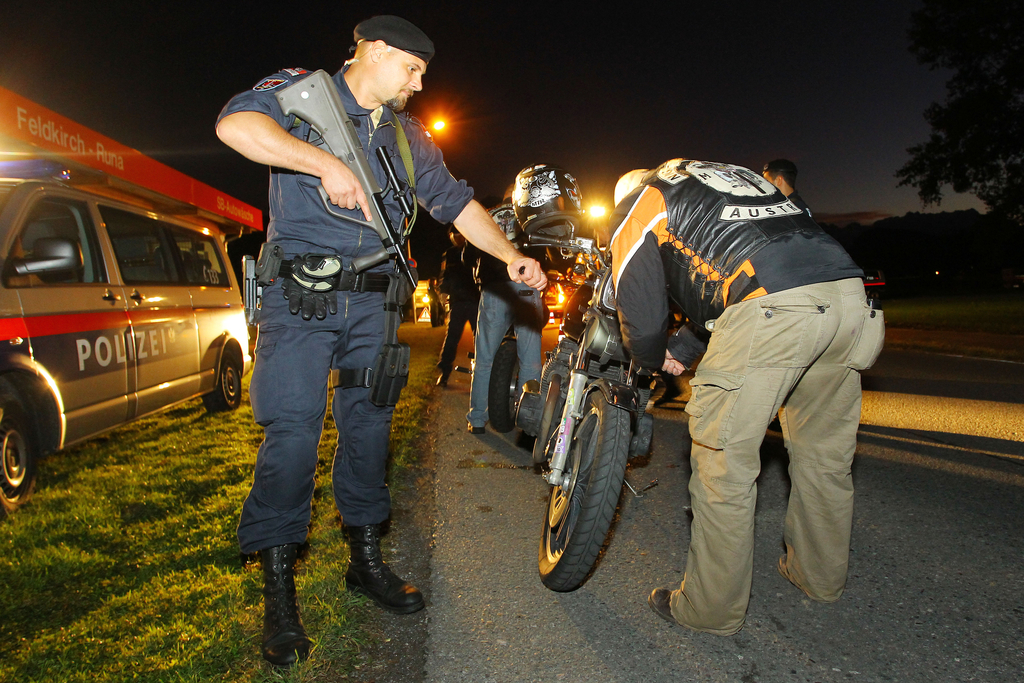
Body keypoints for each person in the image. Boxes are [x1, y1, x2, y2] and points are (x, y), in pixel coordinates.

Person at [216, 15, 546, 667]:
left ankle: (365, 562)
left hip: (382, 298)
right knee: (293, 430)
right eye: (413, 69)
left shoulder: (407, 134)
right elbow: (234, 127)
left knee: (371, 425)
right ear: (373, 50)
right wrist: (319, 160)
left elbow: (455, 203)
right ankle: (279, 594)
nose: (419, 84)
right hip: (301, 295)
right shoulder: (299, 93)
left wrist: (510, 256)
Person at [609, 160, 883, 636]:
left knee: (723, 464)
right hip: (850, 300)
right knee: (825, 457)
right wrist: (685, 350)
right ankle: (817, 577)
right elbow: (727, 276)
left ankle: (709, 609)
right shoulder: (719, 180)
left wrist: (650, 362)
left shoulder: (641, 201)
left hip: (774, 310)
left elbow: (644, 312)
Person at [436, 226, 479, 386]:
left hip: (476, 302)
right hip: (458, 303)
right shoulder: (449, 254)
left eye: (460, 234)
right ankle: (444, 373)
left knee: (481, 340)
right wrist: (443, 292)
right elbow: (444, 275)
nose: (458, 237)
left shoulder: (475, 249)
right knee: (451, 339)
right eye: (455, 235)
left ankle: (483, 375)